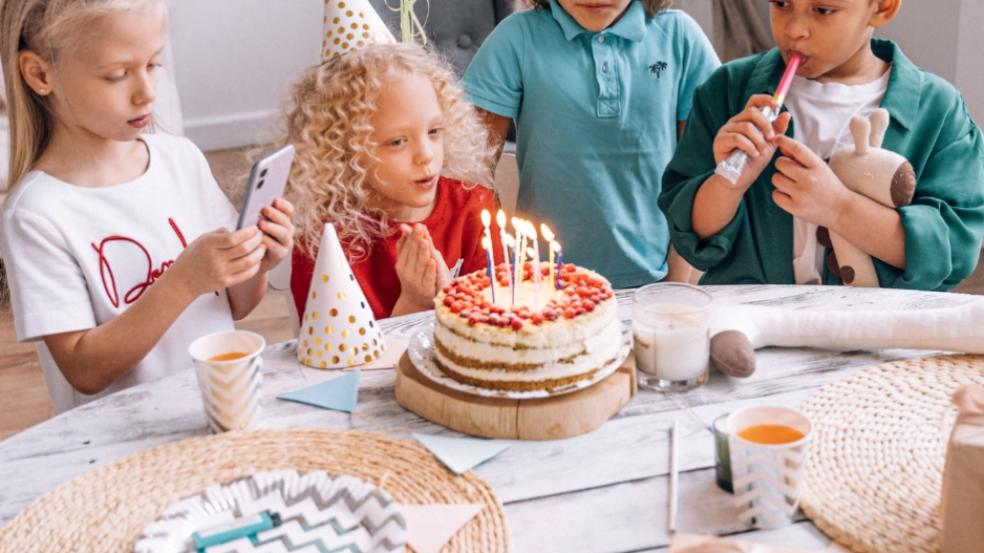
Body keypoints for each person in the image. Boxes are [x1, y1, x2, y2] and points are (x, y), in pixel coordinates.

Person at [0, 0, 294, 413]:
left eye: (153, 65)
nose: (147, 92)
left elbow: (235, 305)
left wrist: (256, 263)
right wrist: (183, 281)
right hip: (120, 447)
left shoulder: (180, 159)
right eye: (117, 75)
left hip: (218, 410)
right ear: (40, 74)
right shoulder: (36, 214)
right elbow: (84, 369)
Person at [659, 0, 984, 290]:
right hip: (756, 330)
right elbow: (692, 238)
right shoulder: (726, 90)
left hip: (884, 336)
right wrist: (728, 184)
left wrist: (839, 208)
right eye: (781, 4)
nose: (794, 30)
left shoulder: (939, 109)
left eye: (823, 10)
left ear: (882, 7)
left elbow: (954, 251)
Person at [462, 0, 719, 288]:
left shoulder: (680, 36)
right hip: (542, 286)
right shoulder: (516, 38)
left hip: (657, 285)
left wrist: (677, 280)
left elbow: (700, 172)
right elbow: (471, 175)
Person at [286, 42, 500, 320]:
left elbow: (497, 322)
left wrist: (451, 302)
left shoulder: (473, 207)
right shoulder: (324, 240)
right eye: (398, 142)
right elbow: (330, 351)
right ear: (345, 150)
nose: (426, 155)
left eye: (434, 131)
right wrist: (413, 304)